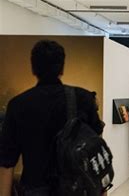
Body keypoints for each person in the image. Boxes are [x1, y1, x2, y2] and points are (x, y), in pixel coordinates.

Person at [0, 40, 104, 195]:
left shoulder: (18, 105)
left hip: (35, 188)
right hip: (76, 188)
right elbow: (95, 149)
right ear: (61, 68)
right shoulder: (82, 99)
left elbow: (7, 162)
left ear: (33, 68)